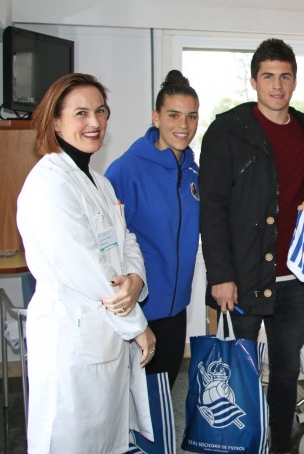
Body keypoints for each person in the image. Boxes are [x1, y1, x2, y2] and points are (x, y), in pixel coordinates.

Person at [16, 73, 155, 453]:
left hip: (107, 335)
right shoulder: (50, 185)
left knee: (106, 438)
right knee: (69, 438)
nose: (94, 122)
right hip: (72, 343)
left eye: (100, 111)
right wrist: (138, 325)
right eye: (81, 113)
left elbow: (126, 239)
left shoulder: (98, 182)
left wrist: (136, 279)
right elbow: (87, 268)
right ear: (55, 121)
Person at [199, 38, 304, 453]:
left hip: (294, 279)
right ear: (253, 81)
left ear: (294, 82)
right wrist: (220, 276)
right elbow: (212, 207)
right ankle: (240, 444)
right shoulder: (227, 130)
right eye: (268, 76)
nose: (277, 85)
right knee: (238, 373)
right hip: (243, 278)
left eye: (285, 76)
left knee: (287, 373)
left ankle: (279, 447)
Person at [106, 69, 200, 388]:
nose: (183, 125)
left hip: (176, 309)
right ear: (156, 117)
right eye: (173, 115)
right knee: (135, 403)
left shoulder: (192, 173)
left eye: (191, 116)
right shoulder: (125, 171)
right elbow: (107, 245)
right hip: (139, 308)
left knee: (162, 394)